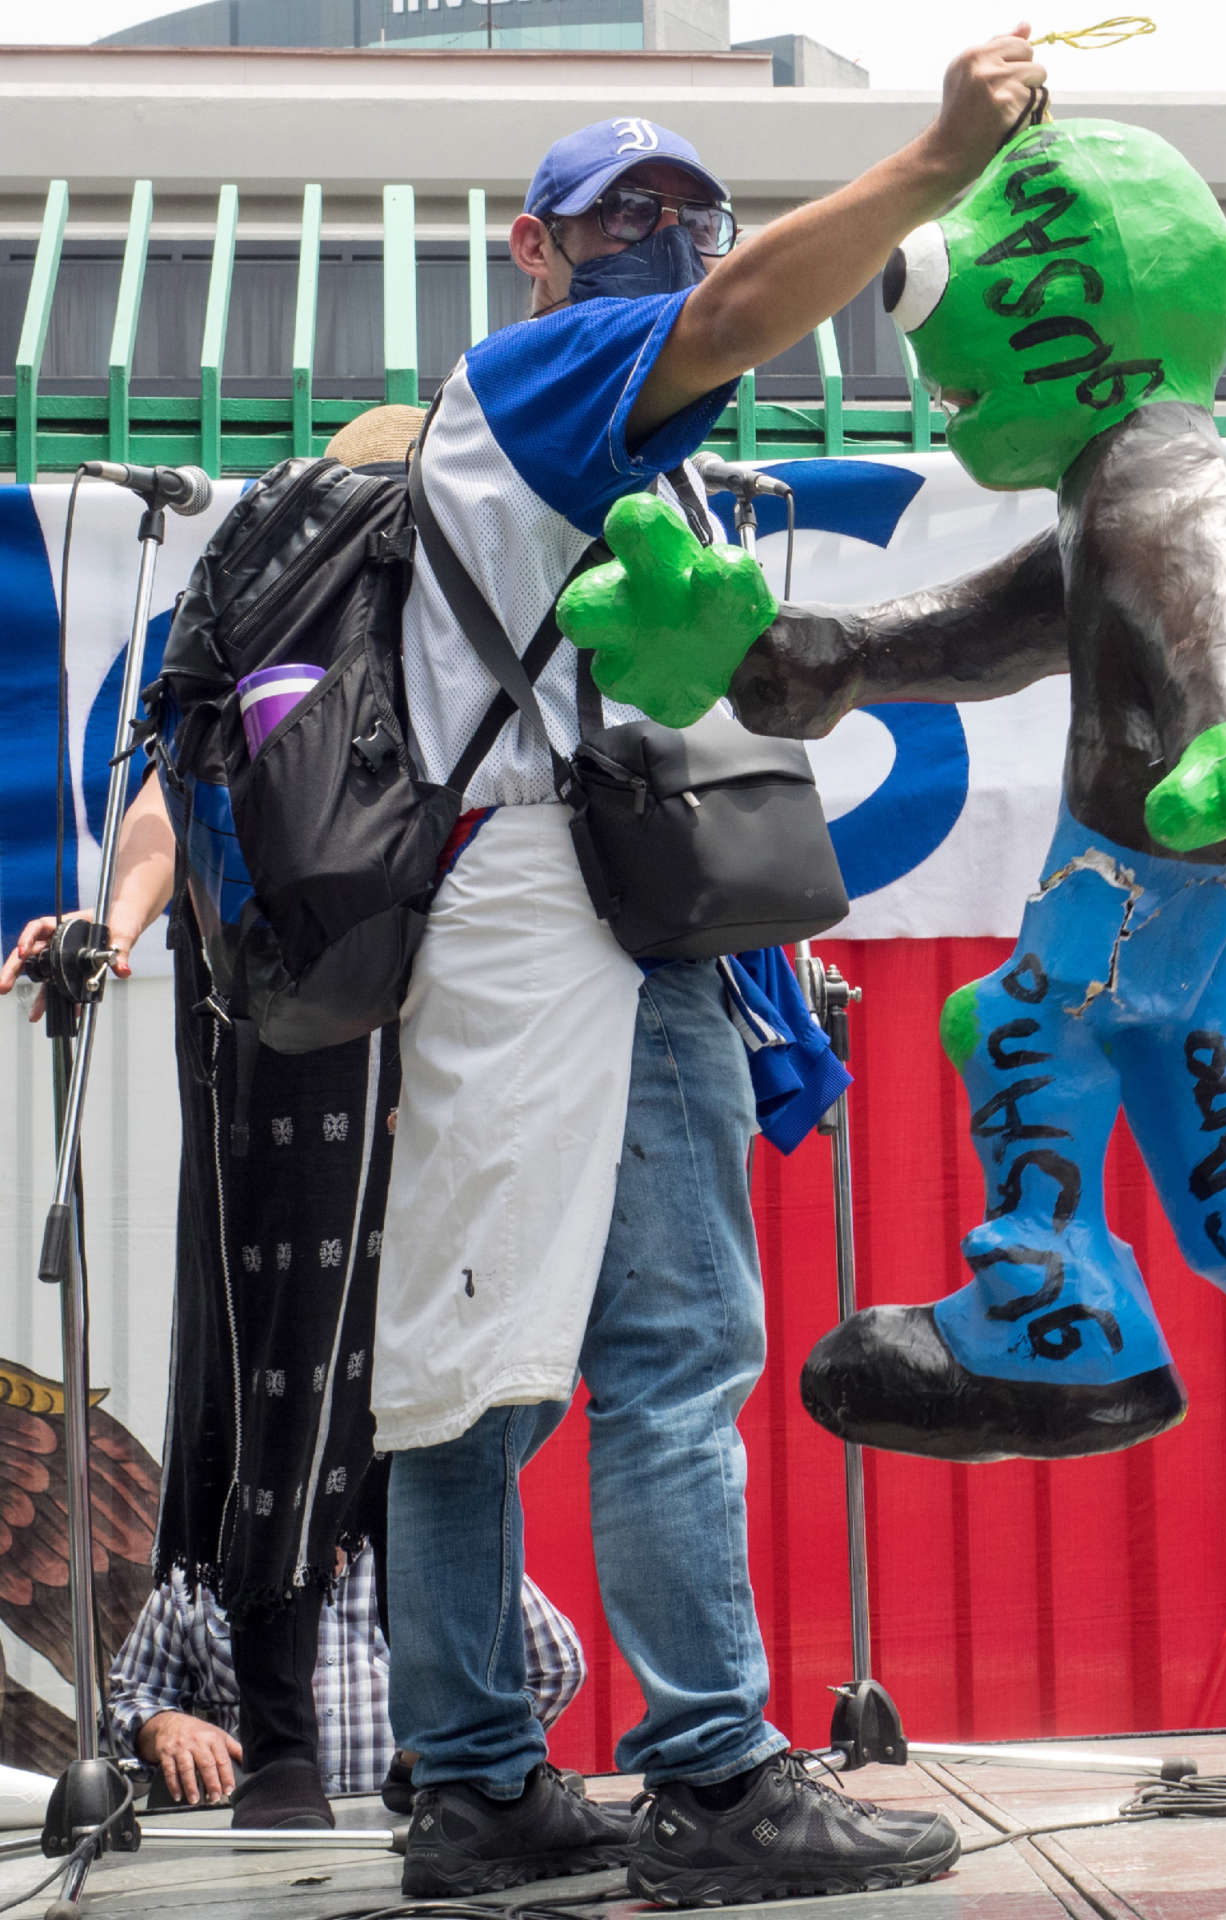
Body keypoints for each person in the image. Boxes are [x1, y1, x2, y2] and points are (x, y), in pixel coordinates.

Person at [372, 34, 1042, 1906]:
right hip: (543, 920)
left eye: (688, 208)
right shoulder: (554, 364)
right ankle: (722, 1776)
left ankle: (484, 1791)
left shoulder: (546, 433)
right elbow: (747, 308)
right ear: (533, 245)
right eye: (620, 214)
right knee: (666, 1351)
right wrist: (931, 162)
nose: (663, 238)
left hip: (514, 917)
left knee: (480, 1375)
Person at [0, 404, 427, 1833]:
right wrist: (117, 934)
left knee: (427, 1370)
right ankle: (288, 1729)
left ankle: (454, 1727)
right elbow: (166, 806)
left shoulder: (463, 618)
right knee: (268, 1371)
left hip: (431, 1040)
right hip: (271, 1033)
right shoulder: (260, 604)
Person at [109, 1547, 582, 1810]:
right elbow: (129, 1696)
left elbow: (555, 1664)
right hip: (252, 1837)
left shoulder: (431, 1551)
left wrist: (462, 1751)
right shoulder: (205, 1571)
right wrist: (166, 1726)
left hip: (413, 1827)